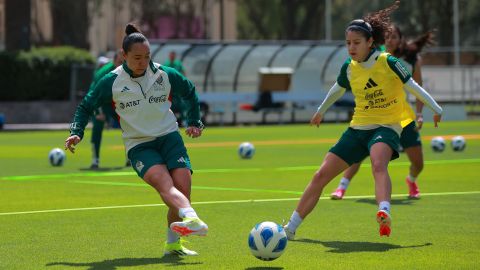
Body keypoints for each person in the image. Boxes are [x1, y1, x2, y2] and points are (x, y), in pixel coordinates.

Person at [283, 1, 442, 239]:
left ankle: (383, 212)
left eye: (356, 43)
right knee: (320, 176)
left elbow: (413, 86)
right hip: (357, 129)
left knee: (378, 164)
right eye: (348, 43)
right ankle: (290, 229)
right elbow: (337, 89)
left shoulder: (388, 62)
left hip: (386, 126)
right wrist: (320, 111)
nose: (351, 48)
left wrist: (435, 108)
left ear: (370, 42)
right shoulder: (349, 67)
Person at [65, 23, 208, 256]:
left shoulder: (165, 74)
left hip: (170, 137)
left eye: (147, 56)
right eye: (137, 57)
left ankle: (173, 245)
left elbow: (190, 91)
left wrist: (194, 121)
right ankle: (192, 218)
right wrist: (77, 131)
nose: (143, 62)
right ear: (124, 56)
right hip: (139, 145)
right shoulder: (111, 81)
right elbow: (86, 105)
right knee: (165, 185)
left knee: (183, 188)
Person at [330, 25, 435, 200]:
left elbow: (418, 88)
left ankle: (411, 180)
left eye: (394, 37)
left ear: (401, 39)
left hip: (402, 116)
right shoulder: (373, 56)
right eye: (387, 37)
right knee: (359, 153)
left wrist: (419, 114)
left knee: (418, 162)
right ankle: (342, 187)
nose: (390, 40)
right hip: (376, 116)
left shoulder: (411, 60)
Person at [89, 50, 126, 169]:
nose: (122, 64)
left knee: (129, 125)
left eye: (124, 62)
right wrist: (99, 112)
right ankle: (95, 160)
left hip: (114, 101)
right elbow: (95, 93)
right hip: (100, 102)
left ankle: (131, 157)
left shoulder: (125, 70)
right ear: (115, 60)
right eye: (120, 62)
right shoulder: (103, 73)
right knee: (97, 127)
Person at [163, 51, 187, 126]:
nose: (172, 56)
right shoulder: (166, 64)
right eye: (171, 55)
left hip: (177, 88)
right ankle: (170, 122)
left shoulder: (178, 64)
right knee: (170, 105)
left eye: (173, 55)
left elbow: (183, 72)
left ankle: (183, 121)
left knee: (181, 105)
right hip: (169, 89)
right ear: (169, 56)